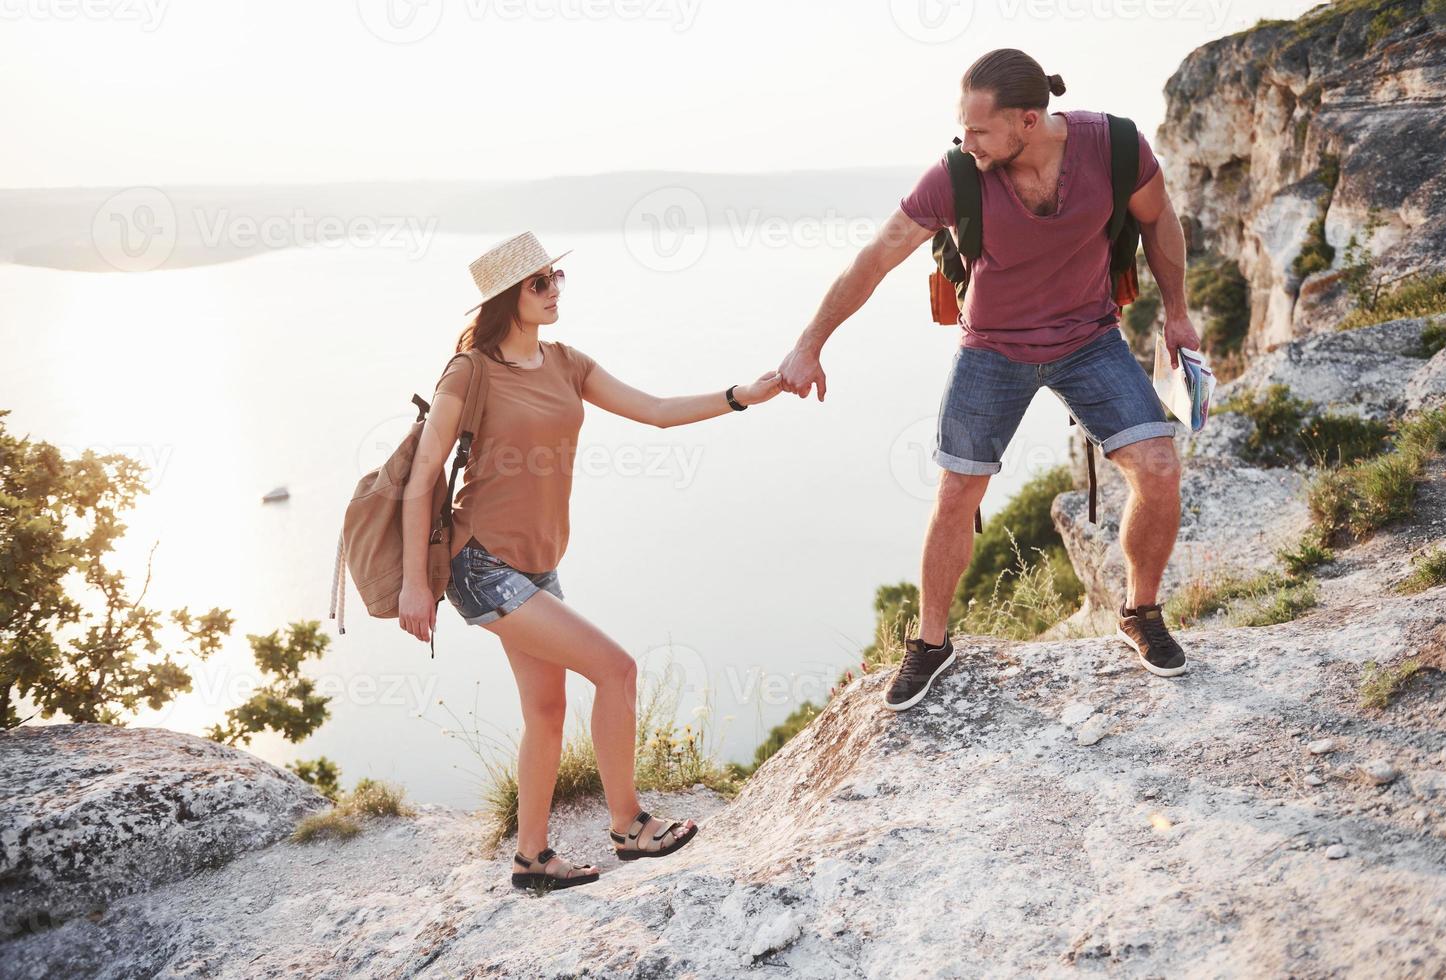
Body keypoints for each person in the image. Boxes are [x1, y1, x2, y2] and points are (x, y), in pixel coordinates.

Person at [776, 48, 1199, 711]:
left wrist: (1176, 313)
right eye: (961, 128)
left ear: (1027, 122)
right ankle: (931, 642)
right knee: (956, 493)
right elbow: (874, 259)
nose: (963, 142)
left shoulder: (1114, 147)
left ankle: (1140, 613)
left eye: (978, 130)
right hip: (992, 349)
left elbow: (1157, 220)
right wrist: (809, 343)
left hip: (1089, 339)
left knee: (1158, 466)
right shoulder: (955, 177)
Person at [397, 231, 785, 890]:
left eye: (555, 279)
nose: (553, 291)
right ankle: (628, 825)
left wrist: (741, 394)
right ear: (505, 299)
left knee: (546, 713)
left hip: (537, 565)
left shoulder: (566, 362)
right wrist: (413, 584)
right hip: (481, 563)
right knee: (617, 670)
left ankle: (531, 858)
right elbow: (420, 479)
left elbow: (656, 412)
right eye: (538, 284)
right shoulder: (470, 372)